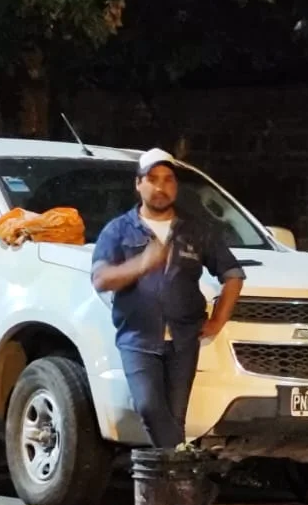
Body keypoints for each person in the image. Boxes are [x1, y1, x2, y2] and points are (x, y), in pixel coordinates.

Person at [91, 149, 246, 449]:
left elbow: (233, 274)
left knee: (176, 417)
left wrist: (217, 320)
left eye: (168, 180)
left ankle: (171, 483)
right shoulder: (119, 230)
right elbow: (100, 279)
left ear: (176, 186)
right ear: (138, 184)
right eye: (152, 179)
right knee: (148, 406)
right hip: (137, 337)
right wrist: (142, 264)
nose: (161, 187)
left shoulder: (196, 230)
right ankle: (181, 465)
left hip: (184, 339)